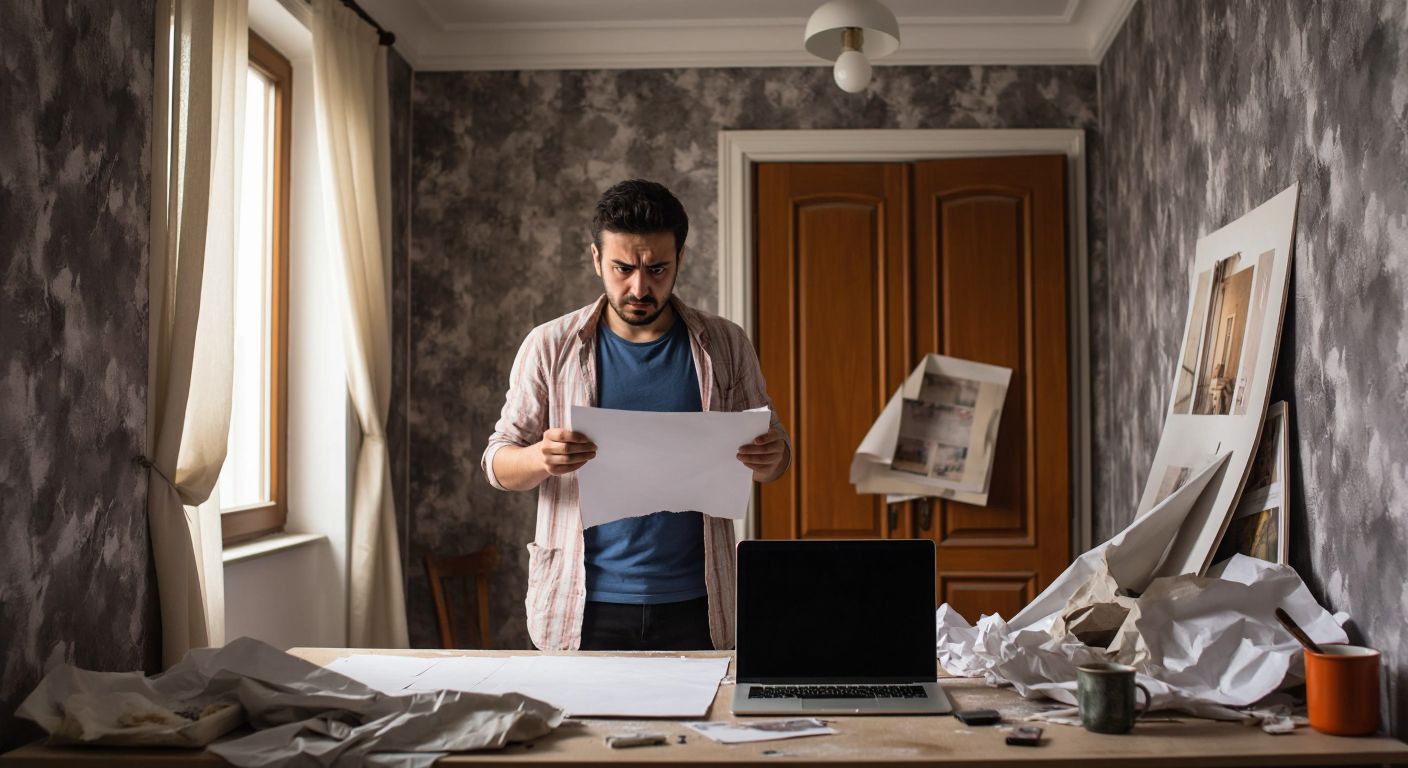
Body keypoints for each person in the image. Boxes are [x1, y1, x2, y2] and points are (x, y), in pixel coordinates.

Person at [481, 179, 790, 652]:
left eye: (658, 269)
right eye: (623, 268)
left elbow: (776, 458)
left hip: (701, 601)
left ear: (680, 260)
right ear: (596, 260)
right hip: (583, 603)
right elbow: (498, 463)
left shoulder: (726, 344)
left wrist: (771, 456)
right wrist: (542, 457)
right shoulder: (548, 346)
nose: (639, 287)